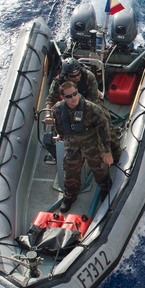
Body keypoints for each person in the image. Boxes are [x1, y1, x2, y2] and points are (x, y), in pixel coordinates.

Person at [51, 81, 115, 212]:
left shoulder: (91, 109)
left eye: (75, 94)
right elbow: (59, 128)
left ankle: (106, 189)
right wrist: (65, 138)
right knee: (70, 173)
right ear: (63, 98)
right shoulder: (58, 110)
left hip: (92, 145)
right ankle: (69, 196)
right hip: (73, 146)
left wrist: (107, 151)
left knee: (100, 170)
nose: (73, 98)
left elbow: (104, 130)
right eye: (69, 96)